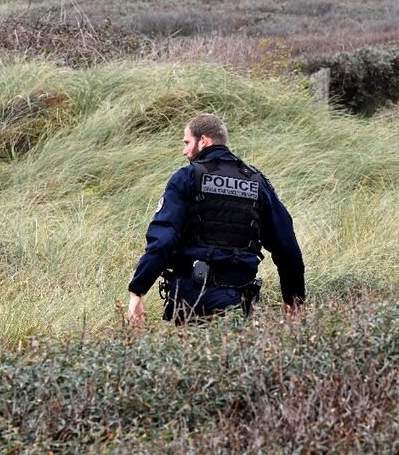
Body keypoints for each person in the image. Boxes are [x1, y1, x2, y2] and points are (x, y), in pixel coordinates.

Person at [127, 114, 305, 325]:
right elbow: (287, 248)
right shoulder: (257, 182)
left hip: (191, 299)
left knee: (189, 356)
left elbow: (163, 240)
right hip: (238, 298)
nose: (184, 151)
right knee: (232, 356)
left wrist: (138, 290)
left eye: (187, 142)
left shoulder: (186, 178)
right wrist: (294, 300)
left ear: (203, 141)